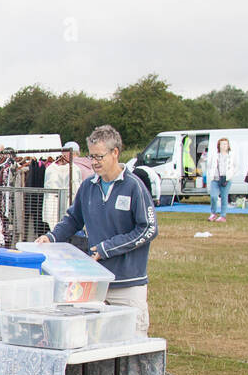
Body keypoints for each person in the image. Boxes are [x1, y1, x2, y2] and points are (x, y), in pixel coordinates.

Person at [35, 125, 158, 336]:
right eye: (91, 157)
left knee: (132, 342)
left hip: (127, 284)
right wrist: (51, 237)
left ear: (115, 153)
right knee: (95, 340)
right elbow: (74, 219)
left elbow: (148, 229)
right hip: (96, 283)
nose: (94, 162)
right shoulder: (88, 186)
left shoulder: (134, 186)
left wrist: (107, 248)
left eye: (99, 156)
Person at [207, 137, 235, 223]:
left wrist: (230, 175)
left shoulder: (231, 155)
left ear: (228, 145)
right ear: (219, 145)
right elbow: (209, 165)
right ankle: (213, 213)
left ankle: (223, 216)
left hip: (226, 179)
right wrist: (210, 174)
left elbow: (236, 166)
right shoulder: (215, 155)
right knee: (213, 196)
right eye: (222, 144)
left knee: (224, 197)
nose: (224, 146)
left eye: (225, 144)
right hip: (215, 179)